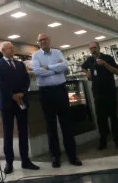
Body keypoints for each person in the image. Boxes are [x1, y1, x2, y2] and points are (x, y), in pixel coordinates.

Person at [31, 33, 81, 168]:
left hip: (61, 90)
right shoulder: (35, 55)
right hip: (46, 93)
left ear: (49, 40)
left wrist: (48, 67)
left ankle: (72, 156)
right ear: (38, 42)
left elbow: (64, 67)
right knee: (51, 126)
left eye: (45, 39)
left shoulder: (57, 52)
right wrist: (55, 69)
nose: (43, 41)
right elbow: (37, 71)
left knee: (67, 124)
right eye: (40, 40)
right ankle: (55, 157)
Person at [0, 41, 40, 174]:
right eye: (10, 48)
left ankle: (26, 160)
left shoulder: (20, 64)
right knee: (8, 134)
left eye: (13, 48)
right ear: (3, 50)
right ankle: (9, 163)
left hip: (21, 102)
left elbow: (27, 80)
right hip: (7, 103)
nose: (13, 50)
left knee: (23, 131)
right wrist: (12, 95)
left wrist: (22, 93)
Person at [81, 42, 118, 150]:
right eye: (91, 48)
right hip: (97, 93)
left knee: (113, 117)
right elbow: (83, 67)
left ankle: (117, 140)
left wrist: (105, 63)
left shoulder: (107, 58)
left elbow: (117, 71)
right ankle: (103, 140)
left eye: (94, 47)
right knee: (101, 118)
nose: (93, 50)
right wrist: (87, 73)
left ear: (99, 48)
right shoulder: (89, 60)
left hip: (110, 91)